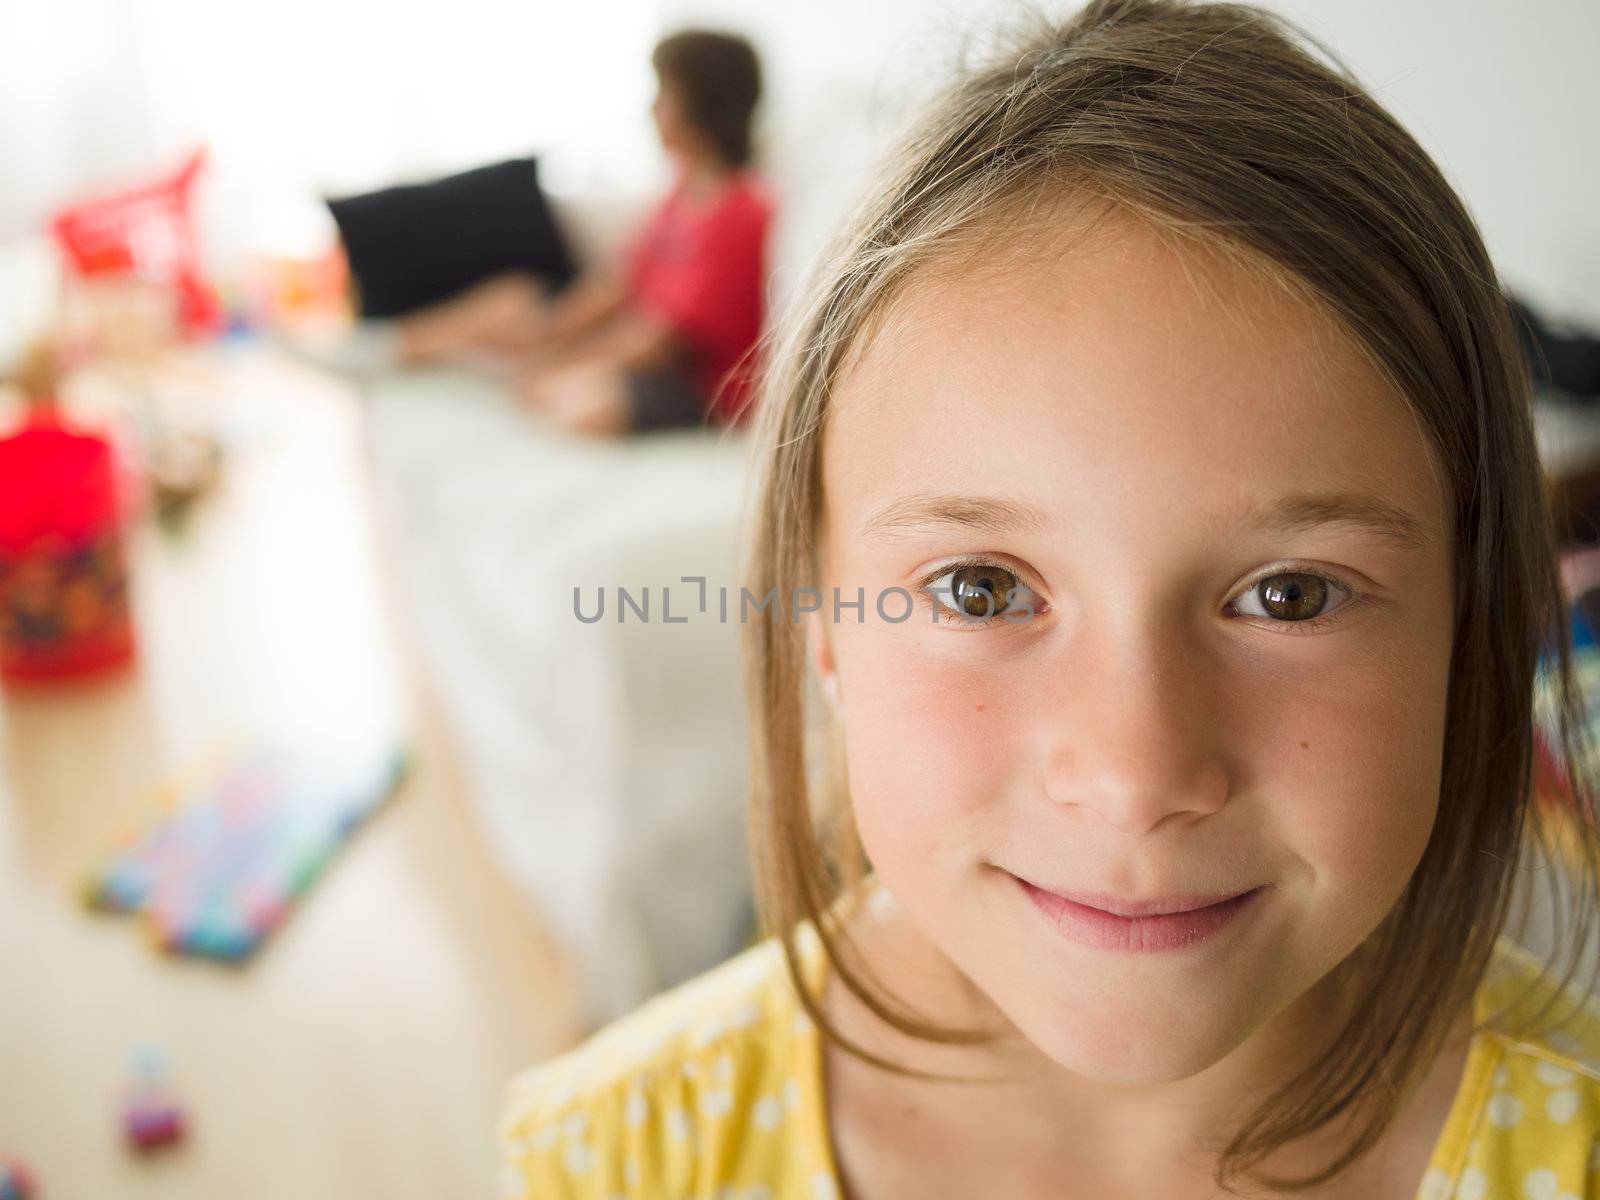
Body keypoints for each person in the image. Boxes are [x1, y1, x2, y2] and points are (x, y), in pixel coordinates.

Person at [497, 1, 1600, 1196]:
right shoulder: (616, 1156)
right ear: (822, 625)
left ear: (1469, 624)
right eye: (981, 588)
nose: (1132, 776)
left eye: (1289, 596)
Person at [396, 29, 773, 436]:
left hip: (695, 383)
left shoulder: (742, 210)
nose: (651, 111)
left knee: (584, 404)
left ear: (703, 107)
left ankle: (499, 370)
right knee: (512, 302)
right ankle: (392, 348)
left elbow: (664, 342)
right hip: (634, 343)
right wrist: (548, 334)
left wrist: (560, 364)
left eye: (664, 96)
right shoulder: (679, 193)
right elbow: (618, 283)